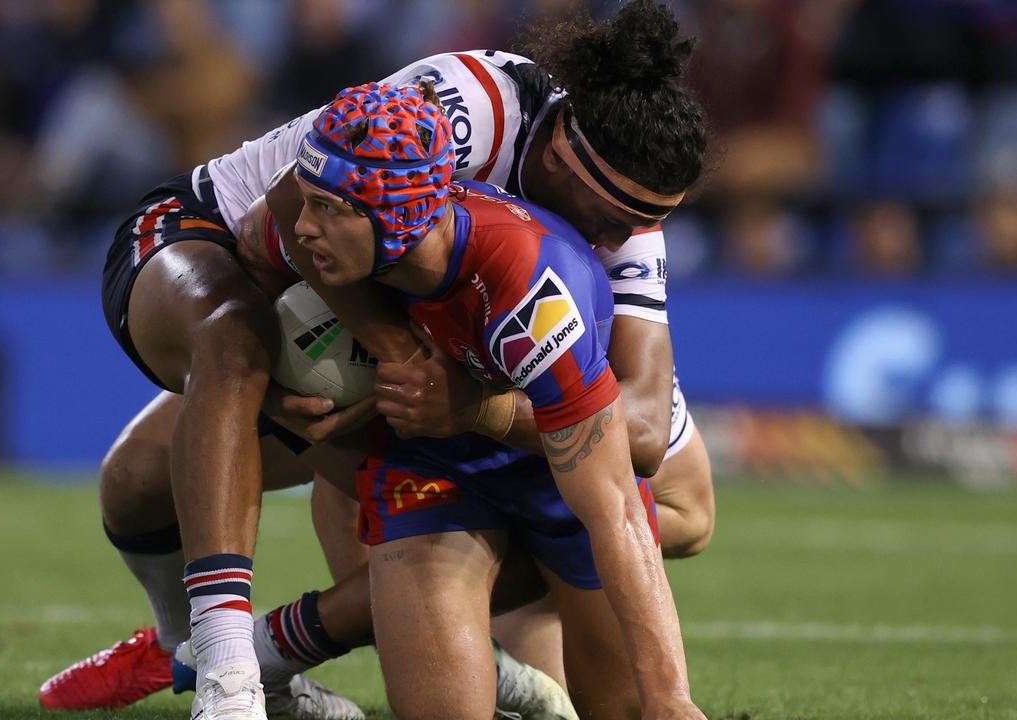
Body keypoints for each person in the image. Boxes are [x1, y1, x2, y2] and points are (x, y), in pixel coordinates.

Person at [39, 1, 713, 716]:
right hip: (235, 251)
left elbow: (630, 442)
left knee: (680, 508)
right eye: (614, 219)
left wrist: (471, 404)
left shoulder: (580, 250)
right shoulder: (456, 116)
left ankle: (291, 649)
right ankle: (225, 665)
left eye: (644, 225)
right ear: (558, 158)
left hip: (451, 386)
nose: (620, 242)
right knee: (157, 455)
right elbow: (295, 213)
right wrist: (396, 352)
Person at [278, 79, 704, 720]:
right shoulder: (324, 230)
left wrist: (671, 698)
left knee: (629, 710)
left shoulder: (529, 289)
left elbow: (613, 504)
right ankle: (237, 654)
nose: (302, 226)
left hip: (555, 476)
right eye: (306, 202)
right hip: (433, 465)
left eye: (328, 209)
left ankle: (258, 651)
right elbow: (275, 233)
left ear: (397, 215)